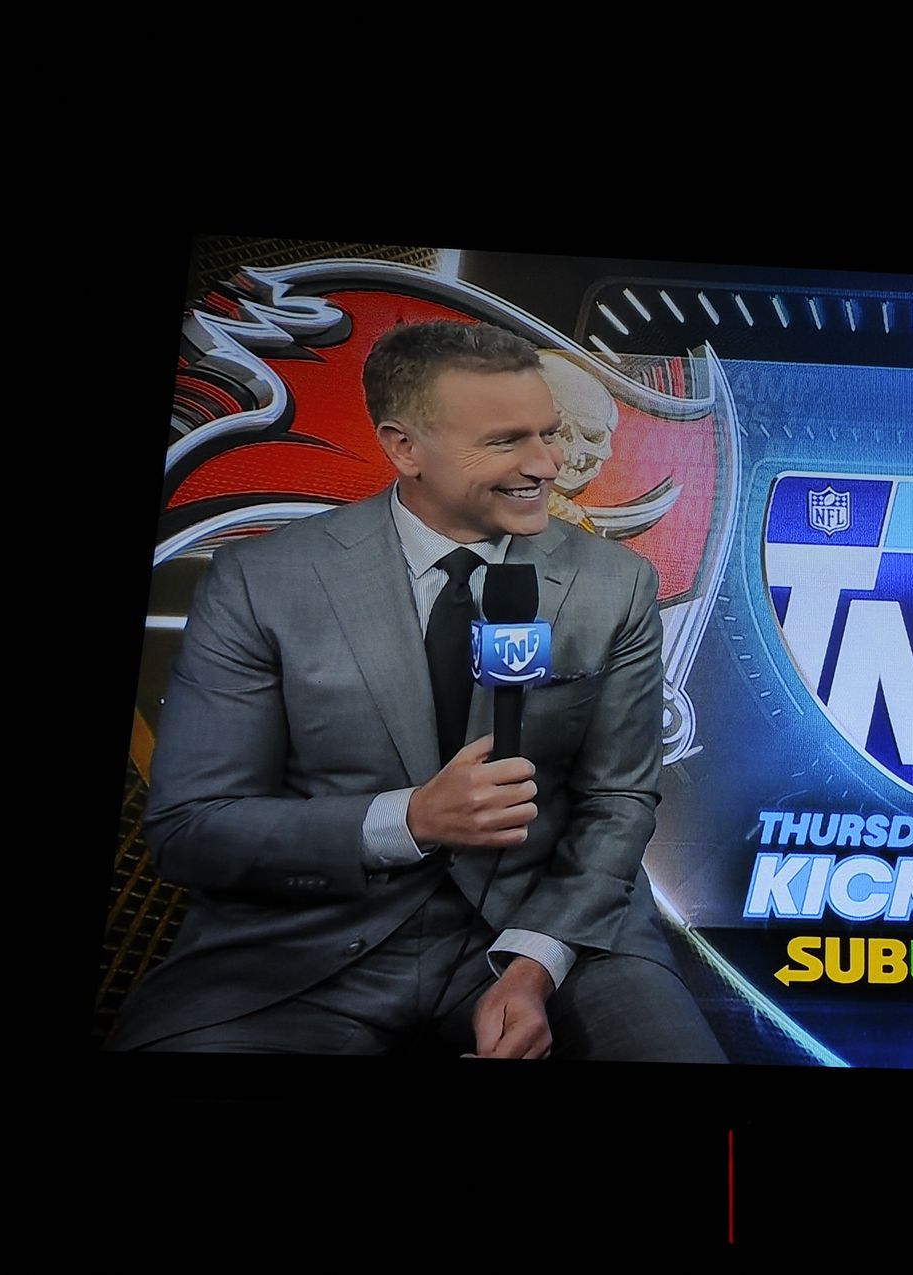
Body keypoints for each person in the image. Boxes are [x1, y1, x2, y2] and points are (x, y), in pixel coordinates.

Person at [112, 320, 724, 1061]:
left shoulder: (616, 584)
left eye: (549, 433)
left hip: (554, 929)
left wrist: (532, 964)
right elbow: (193, 828)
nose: (548, 464)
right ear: (404, 448)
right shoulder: (259, 582)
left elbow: (617, 801)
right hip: (304, 946)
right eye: (506, 441)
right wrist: (410, 819)